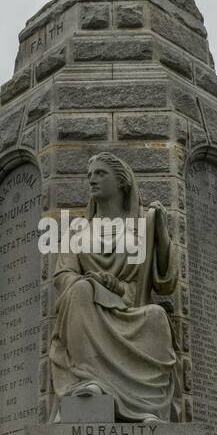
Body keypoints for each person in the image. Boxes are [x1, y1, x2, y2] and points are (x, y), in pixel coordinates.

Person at [49, 153, 178, 421]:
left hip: (129, 308)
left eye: (100, 173)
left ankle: (145, 405)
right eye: (89, 175)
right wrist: (92, 281)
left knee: (156, 316)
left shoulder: (143, 227)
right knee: (78, 292)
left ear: (122, 182)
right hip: (91, 307)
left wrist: (162, 234)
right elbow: (63, 275)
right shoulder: (78, 231)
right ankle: (87, 382)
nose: (92, 180)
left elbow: (166, 283)